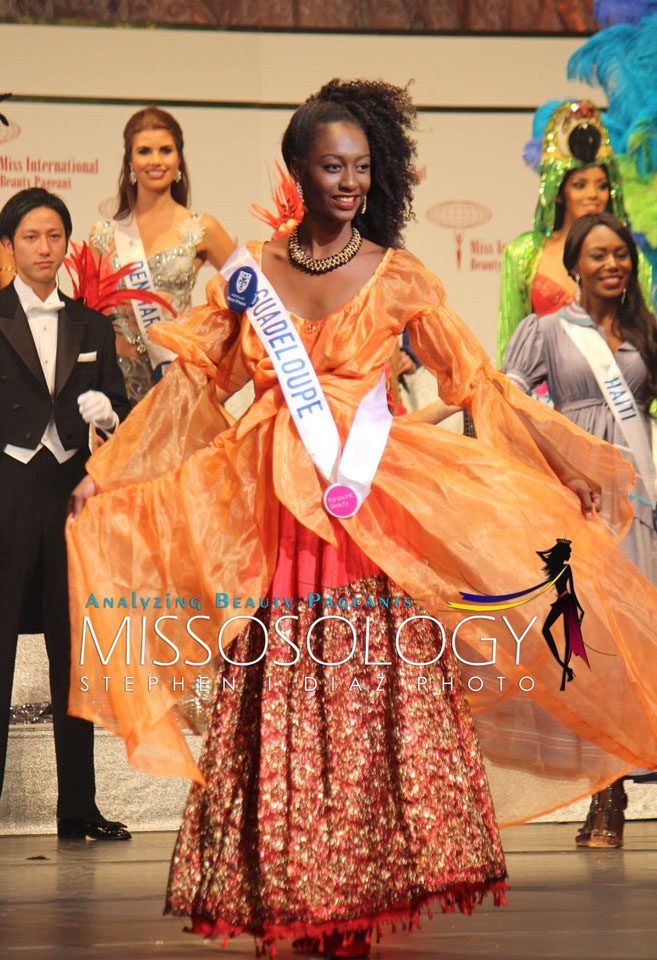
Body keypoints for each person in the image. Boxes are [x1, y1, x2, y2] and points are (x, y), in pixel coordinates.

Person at [66, 81, 657, 953]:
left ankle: (359, 887)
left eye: (361, 168)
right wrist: (109, 474)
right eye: (331, 167)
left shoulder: (397, 274)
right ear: (297, 169)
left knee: (368, 695)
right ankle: (292, 889)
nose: (348, 182)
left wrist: (554, 460)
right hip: (270, 520)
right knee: (281, 694)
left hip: (368, 518)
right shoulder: (250, 276)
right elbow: (194, 387)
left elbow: (475, 386)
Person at [504, 211, 657, 847]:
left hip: (636, 500)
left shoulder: (647, 333)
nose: (612, 265)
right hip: (574, 502)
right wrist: (551, 467)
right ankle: (605, 799)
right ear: (574, 265)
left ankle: (622, 785)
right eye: (598, 255)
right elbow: (506, 402)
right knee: (585, 648)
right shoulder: (544, 330)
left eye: (621, 254)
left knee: (634, 650)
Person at [0, 188, 131, 839]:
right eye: (31, 237)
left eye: (54, 236)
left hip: (72, 495)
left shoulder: (92, 325)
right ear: (10, 246)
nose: (44, 248)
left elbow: (121, 405)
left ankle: (77, 807)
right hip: (7, 494)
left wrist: (109, 411)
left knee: (74, 656)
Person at [90, 106, 235, 404]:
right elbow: (88, 322)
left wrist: (213, 350)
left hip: (176, 379)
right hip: (116, 388)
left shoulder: (201, 227)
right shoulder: (103, 235)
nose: (155, 161)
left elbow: (249, 296)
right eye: (144, 151)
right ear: (129, 160)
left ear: (179, 157)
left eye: (165, 150)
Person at [496, 99, 652, 371]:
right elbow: (509, 351)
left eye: (602, 185)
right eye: (580, 185)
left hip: (619, 398)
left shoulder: (631, 256)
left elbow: (646, 336)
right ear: (558, 193)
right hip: (544, 399)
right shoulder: (524, 253)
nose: (593, 194)